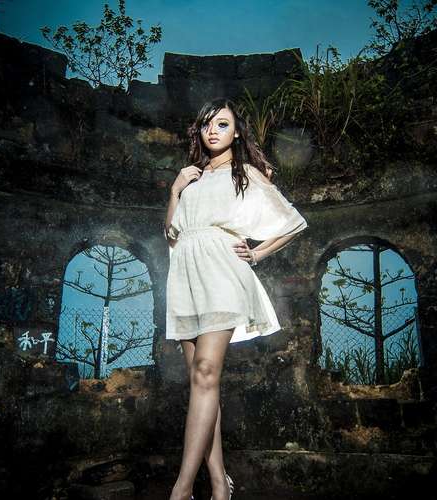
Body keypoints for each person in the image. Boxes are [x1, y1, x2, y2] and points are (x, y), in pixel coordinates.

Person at [164, 97, 308, 500]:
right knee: (201, 383)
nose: (213, 130)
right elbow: (171, 233)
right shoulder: (190, 178)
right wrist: (175, 190)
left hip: (222, 271)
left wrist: (258, 254)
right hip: (185, 275)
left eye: (223, 124)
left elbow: (293, 222)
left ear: (237, 133)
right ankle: (219, 485)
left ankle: (181, 490)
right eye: (207, 124)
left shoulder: (246, 173)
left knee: (206, 372)